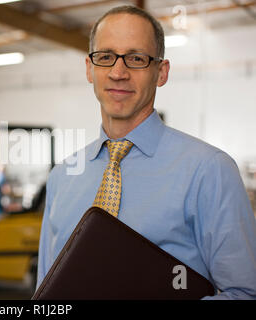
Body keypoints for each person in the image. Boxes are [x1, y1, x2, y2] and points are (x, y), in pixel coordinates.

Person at [36, 5, 256, 299]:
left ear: (161, 72)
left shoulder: (210, 170)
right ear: (90, 69)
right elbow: (45, 290)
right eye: (105, 57)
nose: (118, 72)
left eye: (136, 58)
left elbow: (245, 293)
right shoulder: (62, 177)